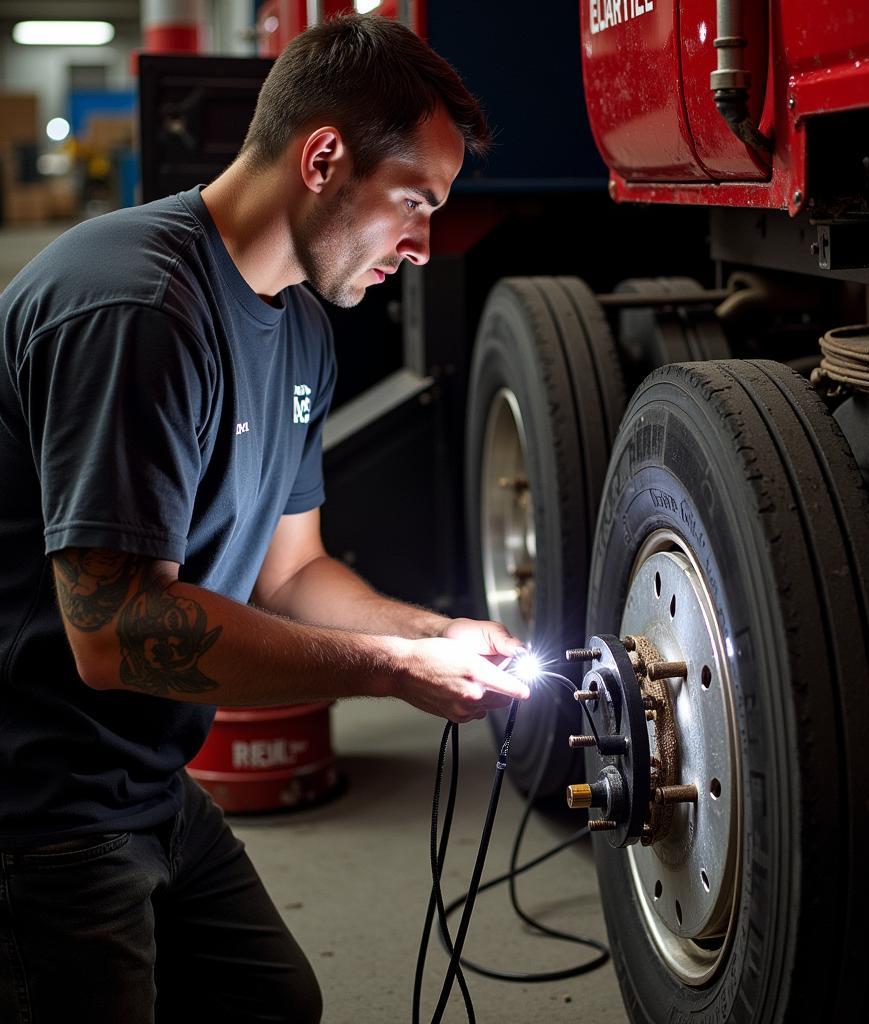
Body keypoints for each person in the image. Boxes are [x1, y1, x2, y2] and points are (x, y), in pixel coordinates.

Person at [0, 14, 528, 1024]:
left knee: (270, 1000)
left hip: (144, 776)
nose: (422, 246)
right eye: (413, 202)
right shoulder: (138, 308)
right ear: (324, 157)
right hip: (39, 801)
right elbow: (113, 633)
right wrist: (390, 673)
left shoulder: (298, 329)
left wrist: (432, 635)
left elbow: (291, 572)